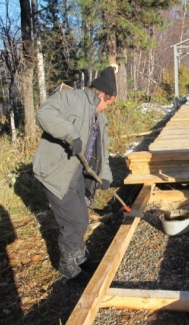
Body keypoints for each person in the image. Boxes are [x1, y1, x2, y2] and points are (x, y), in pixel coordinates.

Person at [33, 66, 117, 282]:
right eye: (108, 103)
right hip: (57, 171)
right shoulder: (71, 99)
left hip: (78, 172)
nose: (107, 108)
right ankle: (68, 267)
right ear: (100, 94)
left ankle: (79, 258)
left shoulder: (101, 120)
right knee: (76, 221)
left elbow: (103, 150)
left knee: (81, 215)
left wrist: (105, 175)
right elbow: (44, 113)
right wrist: (71, 134)